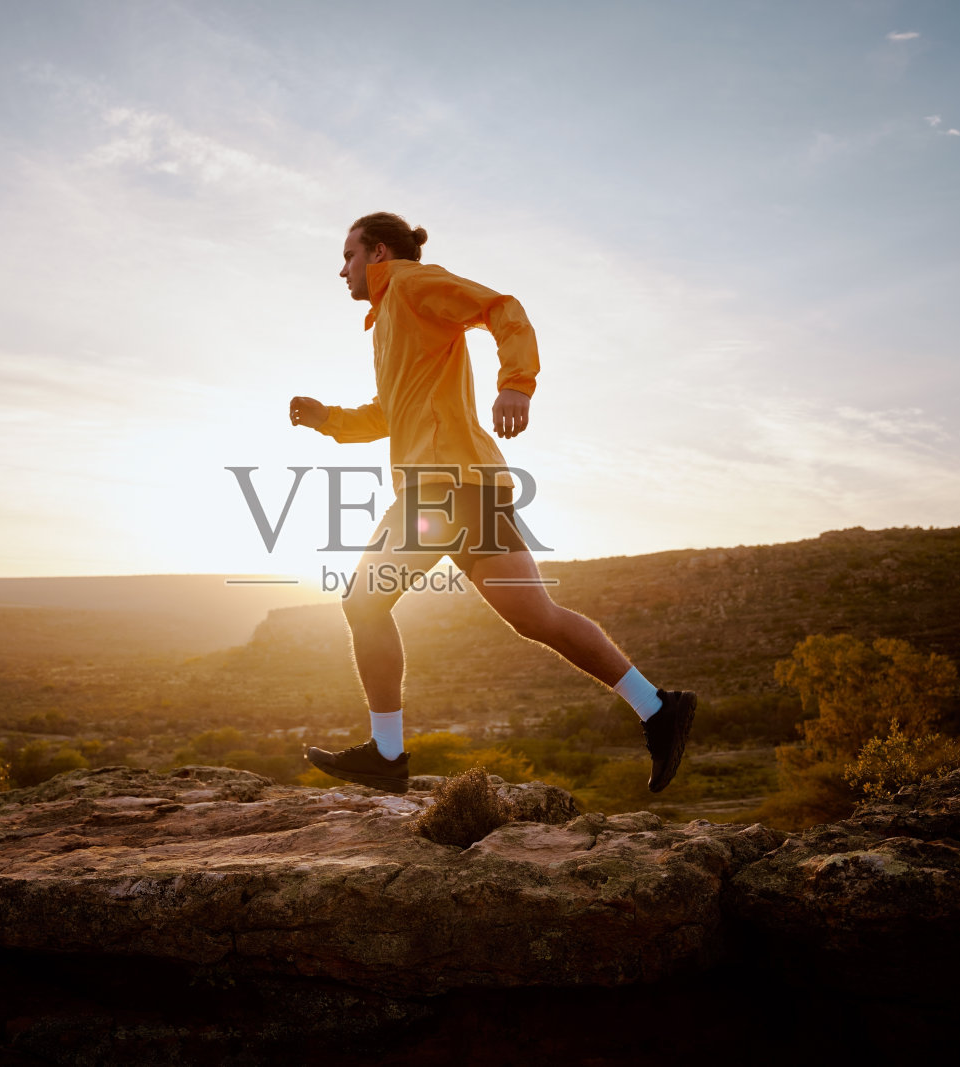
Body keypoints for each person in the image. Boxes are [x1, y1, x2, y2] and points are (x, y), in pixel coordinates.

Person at [290, 212, 695, 796]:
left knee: (364, 602)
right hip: (468, 486)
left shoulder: (411, 284)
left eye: (348, 256)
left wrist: (516, 383)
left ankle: (386, 754)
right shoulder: (388, 321)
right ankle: (657, 707)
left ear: (378, 252)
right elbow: (389, 412)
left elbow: (501, 307)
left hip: (442, 487)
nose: (342, 270)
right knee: (536, 618)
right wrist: (329, 421)